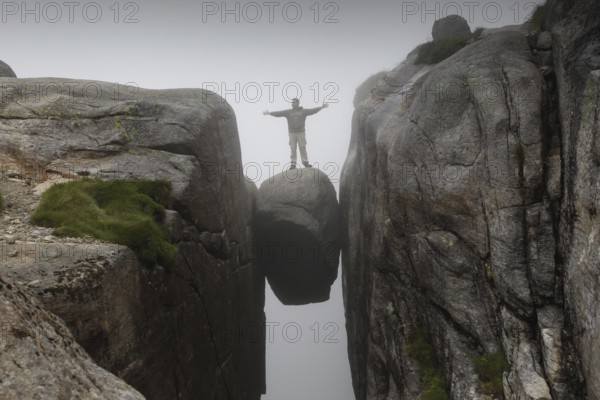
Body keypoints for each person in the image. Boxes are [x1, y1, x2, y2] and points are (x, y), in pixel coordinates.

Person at [263, 98, 329, 169]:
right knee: (293, 148)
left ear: (298, 103)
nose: (292, 103)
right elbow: (279, 113)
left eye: (294, 102)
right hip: (292, 133)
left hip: (301, 132)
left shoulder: (304, 111)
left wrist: (321, 107)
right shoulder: (288, 112)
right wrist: (270, 113)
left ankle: (305, 162)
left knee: (302, 147)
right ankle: (293, 164)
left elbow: (312, 111)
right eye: (292, 102)